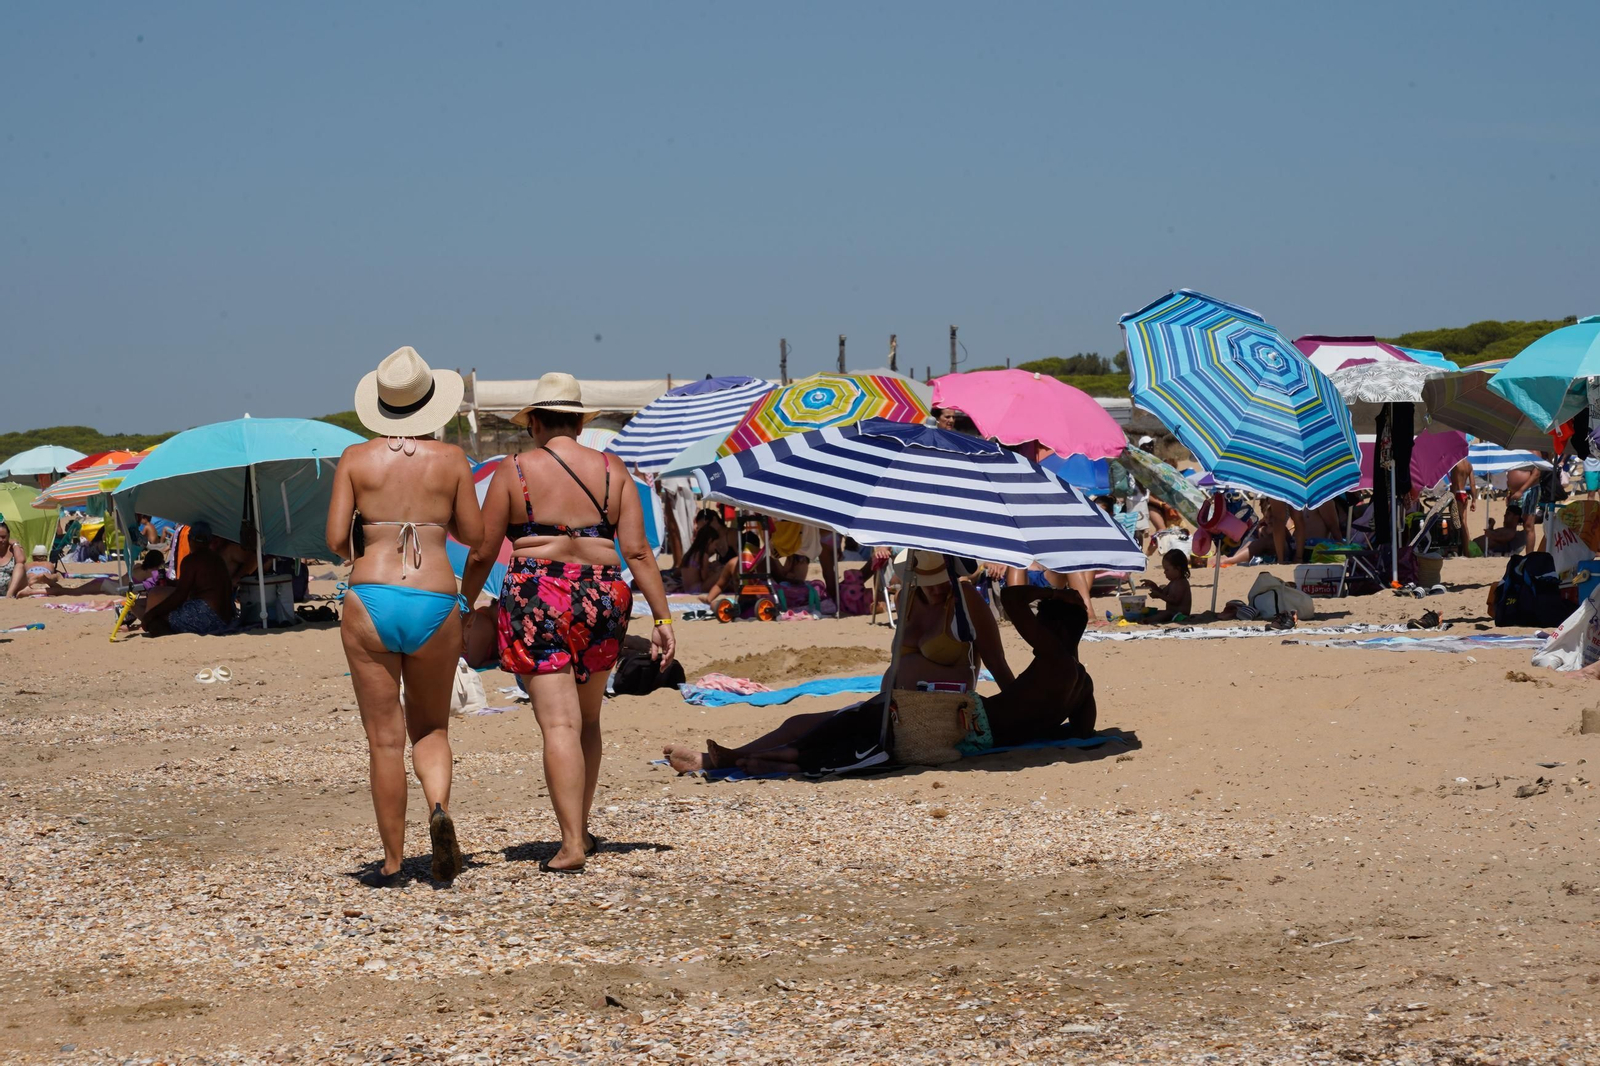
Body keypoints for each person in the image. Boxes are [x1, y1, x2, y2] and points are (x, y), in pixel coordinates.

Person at [462, 371, 674, 875]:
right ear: (578, 422)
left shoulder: (514, 471)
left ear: (534, 421)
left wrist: (463, 604)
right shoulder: (612, 470)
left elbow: (484, 550)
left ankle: (572, 842)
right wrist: (663, 617)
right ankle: (580, 825)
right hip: (603, 593)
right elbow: (639, 551)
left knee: (558, 723)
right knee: (589, 719)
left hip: (539, 594)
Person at [325, 347, 483, 888]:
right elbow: (475, 534)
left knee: (384, 741)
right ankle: (438, 809)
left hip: (370, 597)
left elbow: (332, 541)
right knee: (432, 728)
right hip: (436, 601)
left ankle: (392, 863)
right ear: (431, 401)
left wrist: (375, 532)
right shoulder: (453, 460)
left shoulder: (354, 457)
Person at [664, 551, 1011, 776]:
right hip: (891, 707)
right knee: (800, 720)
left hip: (934, 717)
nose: (936, 591)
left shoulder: (965, 604)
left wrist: (1016, 715)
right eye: (928, 584)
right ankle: (738, 757)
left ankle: (722, 760)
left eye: (941, 584)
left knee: (833, 734)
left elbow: (996, 663)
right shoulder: (908, 598)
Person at [982, 585, 1097, 742]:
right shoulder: (1084, 684)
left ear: (1055, 628)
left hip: (979, 723)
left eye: (1040, 624)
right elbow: (1084, 732)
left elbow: (1010, 595)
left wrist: (1055, 593)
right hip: (1000, 731)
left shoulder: (1055, 660)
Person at [1139, 549, 1192, 624]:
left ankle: (1147, 621)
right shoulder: (1172, 582)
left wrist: (1159, 595)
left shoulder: (1182, 583)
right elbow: (1163, 593)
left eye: (1167, 570)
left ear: (1178, 568)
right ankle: (1147, 618)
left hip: (1180, 616)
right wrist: (1153, 586)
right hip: (1172, 613)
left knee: (1166, 614)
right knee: (1157, 611)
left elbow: (1175, 601)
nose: (1164, 572)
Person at [0, 521, 25, 599]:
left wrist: (15, 545)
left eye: (3, 537)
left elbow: (21, 560)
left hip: (12, 587)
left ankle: (9, 594)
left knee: (20, 566)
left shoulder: (13, 549)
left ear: (8, 536)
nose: (0, 540)